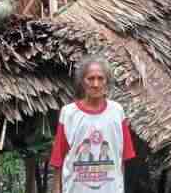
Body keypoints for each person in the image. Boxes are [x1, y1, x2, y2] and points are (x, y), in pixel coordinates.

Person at [49, 56, 136, 193]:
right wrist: (56, 190)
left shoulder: (117, 112)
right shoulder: (69, 113)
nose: (96, 84)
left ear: (106, 82)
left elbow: (122, 158)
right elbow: (58, 159)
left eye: (100, 78)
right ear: (82, 82)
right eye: (90, 78)